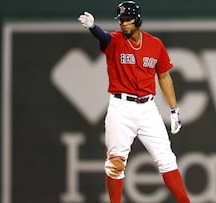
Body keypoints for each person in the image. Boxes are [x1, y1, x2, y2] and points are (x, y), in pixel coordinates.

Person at [78, 1, 191, 203]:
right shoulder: (114, 41)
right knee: (115, 164)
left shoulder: (155, 44)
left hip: (148, 108)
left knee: (167, 159)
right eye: (121, 20)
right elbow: (103, 37)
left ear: (138, 20)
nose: (123, 24)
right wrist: (93, 28)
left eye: (128, 19)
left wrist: (174, 109)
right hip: (121, 108)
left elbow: (164, 77)